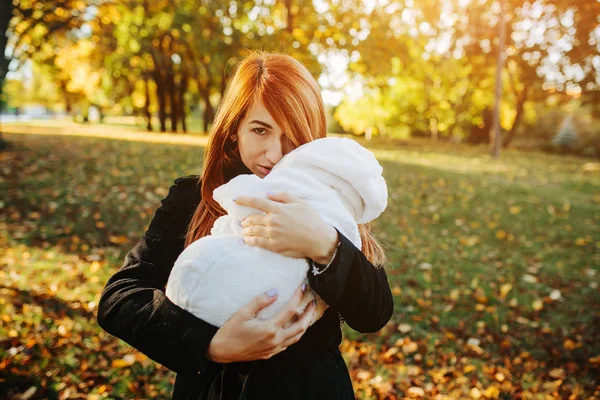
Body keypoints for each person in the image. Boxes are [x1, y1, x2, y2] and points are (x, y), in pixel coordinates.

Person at [97, 51, 394, 400]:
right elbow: (119, 297)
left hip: (309, 388)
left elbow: (375, 312)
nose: (275, 154)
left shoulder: (328, 201)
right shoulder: (193, 198)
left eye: (293, 136)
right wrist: (209, 344)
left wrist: (325, 245)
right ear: (234, 129)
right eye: (260, 130)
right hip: (215, 389)